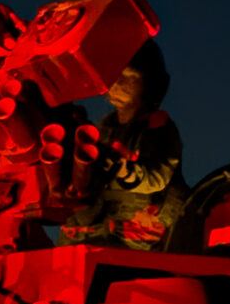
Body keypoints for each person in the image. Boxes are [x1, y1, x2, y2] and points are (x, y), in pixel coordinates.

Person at [62, 39, 194, 250]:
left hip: (142, 234)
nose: (117, 85)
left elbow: (156, 178)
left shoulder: (158, 126)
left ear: (149, 85)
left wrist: (123, 170)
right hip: (102, 227)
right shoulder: (106, 126)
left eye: (129, 77)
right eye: (114, 76)